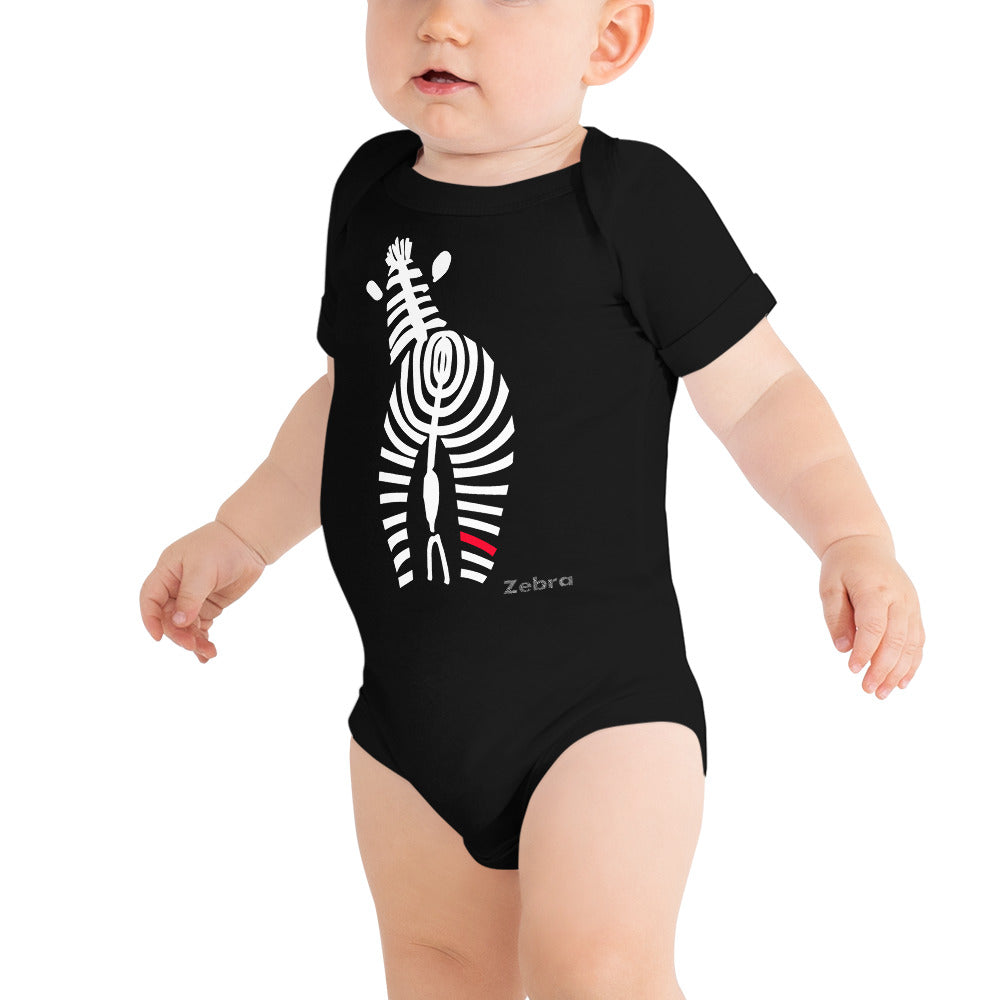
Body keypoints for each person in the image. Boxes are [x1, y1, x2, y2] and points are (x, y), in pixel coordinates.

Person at [138, 1, 925, 997]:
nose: (441, 21)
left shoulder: (631, 203)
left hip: (601, 712)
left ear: (609, 39)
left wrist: (850, 533)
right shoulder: (370, 192)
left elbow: (761, 392)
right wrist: (242, 531)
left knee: (598, 972)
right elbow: (354, 392)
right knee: (437, 973)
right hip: (408, 718)